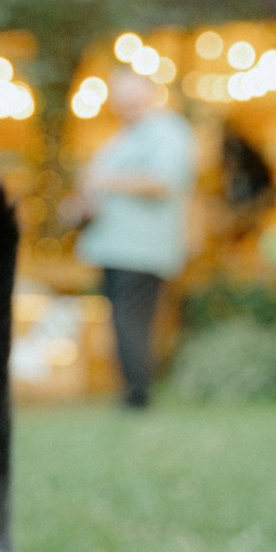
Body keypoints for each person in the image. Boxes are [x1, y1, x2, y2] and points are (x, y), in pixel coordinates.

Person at [75, 68, 197, 408]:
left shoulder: (168, 131)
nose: (122, 102)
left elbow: (161, 183)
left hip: (142, 249)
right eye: (117, 95)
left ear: (148, 93)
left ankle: (137, 396)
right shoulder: (124, 136)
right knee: (121, 322)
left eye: (129, 94)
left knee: (132, 322)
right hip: (112, 246)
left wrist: (106, 182)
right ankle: (129, 391)